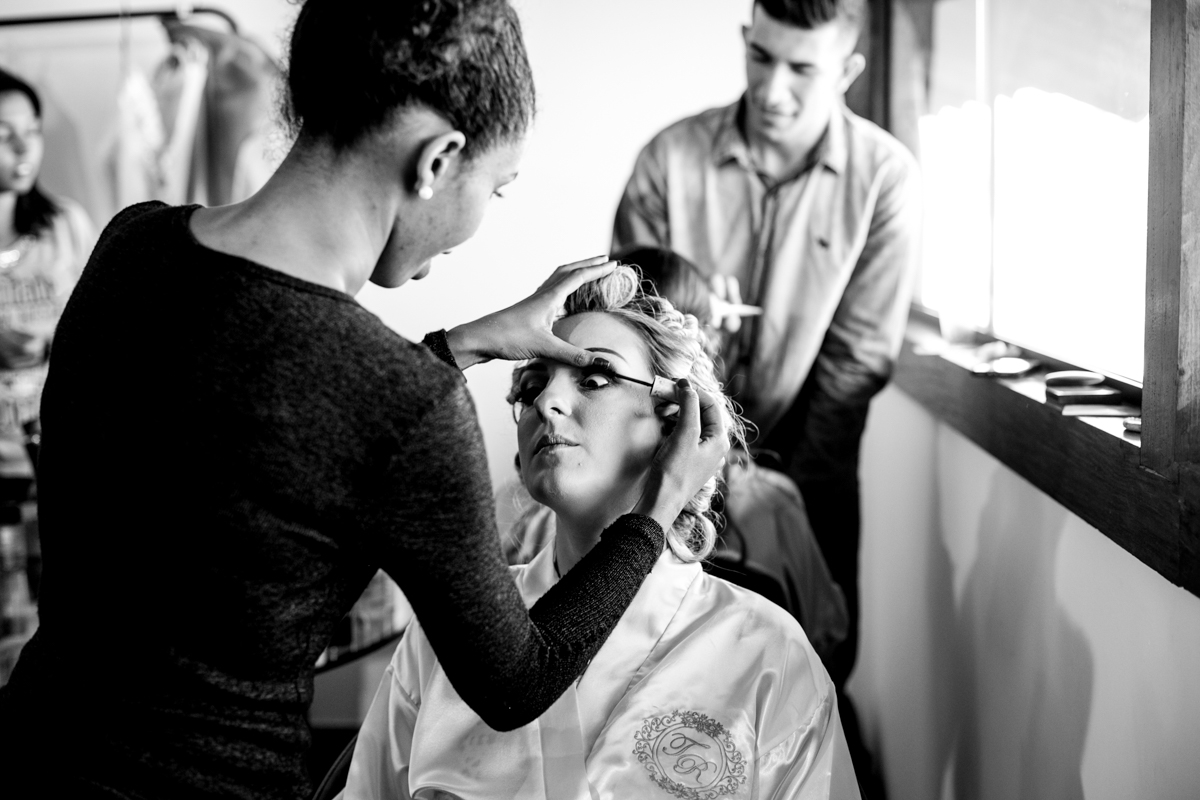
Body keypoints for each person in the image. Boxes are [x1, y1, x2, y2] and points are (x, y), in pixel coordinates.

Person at [0, 2, 728, 798]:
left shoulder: (131, 246)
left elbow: (274, 417)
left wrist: (456, 347)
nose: (479, 222)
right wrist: (657, 509)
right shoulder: (401, 407)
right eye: (499, 188)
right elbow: (519, 681)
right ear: (438, 160)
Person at [341, 265, 860, 800]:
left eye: (594, 379)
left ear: (675, 421)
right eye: (533, 385)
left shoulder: (767, 653)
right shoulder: (443, 634)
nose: (546, 403)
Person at [612, 0, 921, 785]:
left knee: (804, 678)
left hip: (809, 475)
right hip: (666, 467)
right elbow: (632, 336)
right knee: (660, 684)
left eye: (803, 68)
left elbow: (852, 365)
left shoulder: (885, 179)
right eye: (762, 57)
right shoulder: (667, 160)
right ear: (745, 41)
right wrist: (695, 479)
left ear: (847, 69)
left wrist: (770, 497)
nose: (774, 89)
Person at [0, 67, 95, 434]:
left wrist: (48, 347)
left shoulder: (66, 224)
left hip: (56, 455)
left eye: (33, 130)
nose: (24, 148)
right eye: (3, 134)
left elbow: (103, 335)